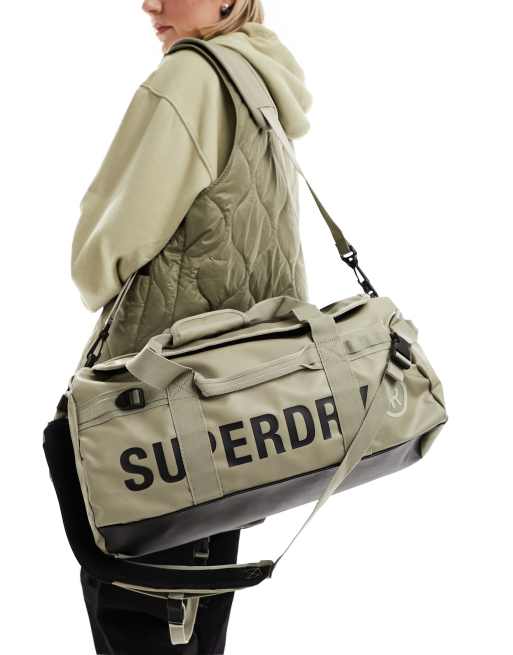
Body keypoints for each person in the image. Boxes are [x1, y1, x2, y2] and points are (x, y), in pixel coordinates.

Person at [69, 1, 313, 652]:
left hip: (157, 416)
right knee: (195, 628)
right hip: (234, 415)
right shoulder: (258, 76)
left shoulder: (190, 78)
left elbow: (101, 255)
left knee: (139, 617)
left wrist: (93, 263)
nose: (150, 4)